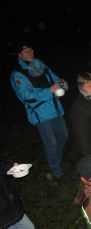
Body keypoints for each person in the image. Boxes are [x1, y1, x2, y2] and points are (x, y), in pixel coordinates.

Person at [10, 42, 68, 180]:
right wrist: (49, 90)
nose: (30, 53)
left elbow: (56, 79)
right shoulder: (17, 74)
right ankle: (56, 171)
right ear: (20, 55)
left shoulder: (41, 65)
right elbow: (26, 95)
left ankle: (55, 159)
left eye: (31, 50)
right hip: (40, 113)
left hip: (55, 108)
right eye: (26, 51)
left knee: (63, 136)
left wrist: (63, 84)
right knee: (51, 142)